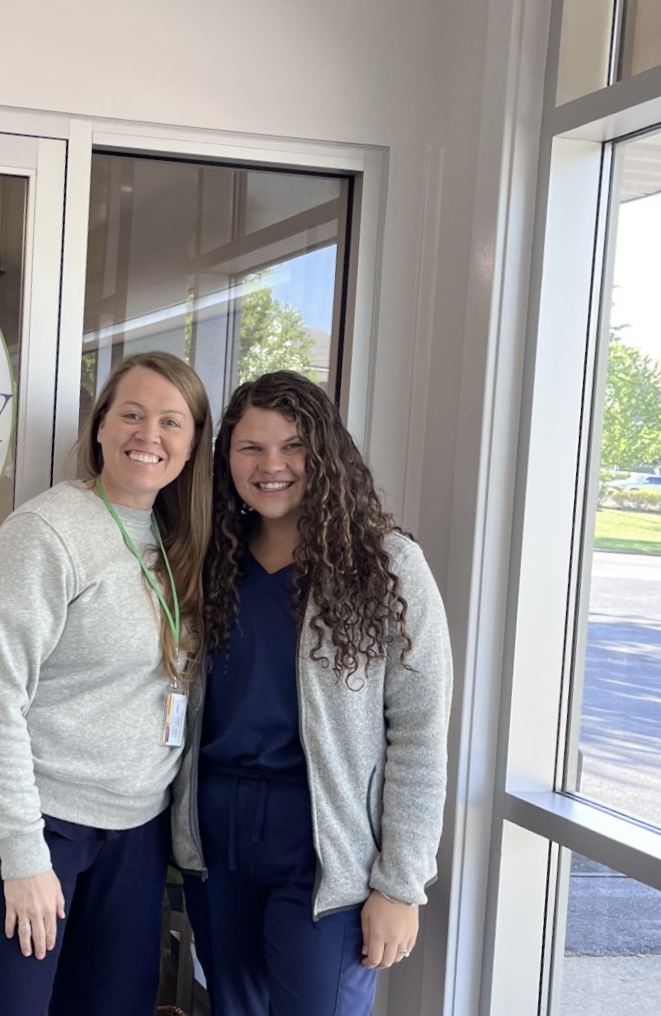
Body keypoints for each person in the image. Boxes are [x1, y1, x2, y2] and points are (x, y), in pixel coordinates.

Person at [171, 371, 453, 1016]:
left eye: (292, 446)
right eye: (250, 448)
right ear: (227, 460)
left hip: (326, 841)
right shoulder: (210, 560)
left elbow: (418, 732)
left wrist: (401, 886)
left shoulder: (386, 564)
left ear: (324, 455)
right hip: (214, 832)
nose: (272, 465)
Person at [0, 351, 213, 1016]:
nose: (149, 435)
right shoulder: (45, 532)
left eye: (171, 422)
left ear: (192, 446)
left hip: (134, 830)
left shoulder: (178, 541)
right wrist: (24, 854)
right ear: (98, 428)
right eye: (132, 414)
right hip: (40, 821)